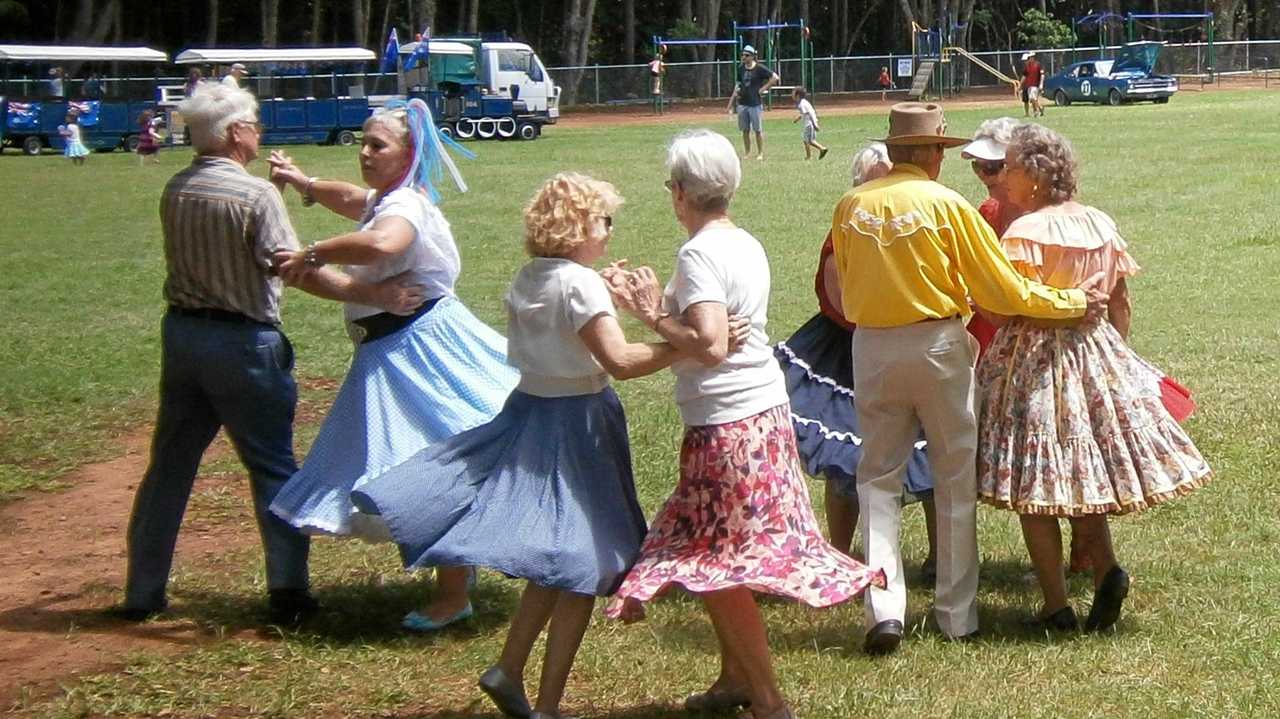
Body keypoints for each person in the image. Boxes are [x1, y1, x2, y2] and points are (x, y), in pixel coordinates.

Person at [353, 172, 684, 719]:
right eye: (604, 221)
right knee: (582, 566)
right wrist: (685, 348)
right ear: (580, 225)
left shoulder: (533, 276)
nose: (609, 231)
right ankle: (548, 706)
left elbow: (564, 332)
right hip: (579, 425)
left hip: (532, 415)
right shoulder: (579, 284)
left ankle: (509, 669)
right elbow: (620, 363)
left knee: (557, 564)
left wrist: (604, 295)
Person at [115, 82, 423, 625]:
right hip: (244, 343)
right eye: (253, 124)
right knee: (272, 465)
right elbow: (295, 268)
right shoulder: (255, 196)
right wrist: (372, 293)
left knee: (169, 466)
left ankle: (143, 590)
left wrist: (304, 183)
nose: (257, 133)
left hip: (183, 337)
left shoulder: (177, 187)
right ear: (237, 133)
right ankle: (288, 590)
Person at [604, 130, 883, 719]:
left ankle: (767, 700)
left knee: (719, 565)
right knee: (716, 553)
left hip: (726, 428)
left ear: (680, 192)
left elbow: (708, 346)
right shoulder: (744, 242)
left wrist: (650, 311)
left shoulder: (699, 254)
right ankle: (734, 681)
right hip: (759, 415)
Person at [829, 102, 1097, 655]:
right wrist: (1070, 301)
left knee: (878, 478)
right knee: (954, 478)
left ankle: (883, 608)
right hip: (936, 345)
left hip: (872, 346)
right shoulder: (947, 204)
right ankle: (957, 614)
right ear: (932, 153)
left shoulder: (850, 206)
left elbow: (845, 282)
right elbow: (1001, 291)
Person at [266, 99, 519, 631]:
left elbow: (384, 238)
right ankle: (457, 580)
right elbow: (356, 201)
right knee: (427, 463)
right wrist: (304, 183)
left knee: (434, 463)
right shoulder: (388, 197)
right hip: (396, 351)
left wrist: (312, 253)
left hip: (419, 351)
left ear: (408, 154)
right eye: (361, 141)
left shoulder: (405, 208)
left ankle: (453, 593)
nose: (363, 152)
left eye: (377, 145)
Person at [976, 123, 1212, 633]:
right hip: (1095, 353)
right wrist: (1115, 358)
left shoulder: (1023, 234)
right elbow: (1121, 302)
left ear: (1036, 176)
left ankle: (1056, 604)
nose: (1004, 175)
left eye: (1011, 167)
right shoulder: (1101, 224)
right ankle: (1105, 569)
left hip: (1034, 364)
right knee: (1081, 472)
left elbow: (1004, 309)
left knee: (1032, 481)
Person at [774, 142, 938, 579]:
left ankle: (942, 557)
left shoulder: (918, 217)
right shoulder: (846, 224)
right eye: (874, 181)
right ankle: (841, 553)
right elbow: (839, 295)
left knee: (930, 452)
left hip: (904, 342)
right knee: (844, 458)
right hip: (850, 346)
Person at [725, 45, 779, 161]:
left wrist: (764, 88)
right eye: (743, 55)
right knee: (745, 130)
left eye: (746, 55)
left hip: (755, 104)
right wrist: (734, 97)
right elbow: (738, 83)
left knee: (757, 130)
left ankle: (760, 153)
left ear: (752, 57)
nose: (744, 57)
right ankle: (747, 153)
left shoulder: (759, 68)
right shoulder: (740, 68)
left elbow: (775, 77)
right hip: (742, 104)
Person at [791, 86, 828, 160]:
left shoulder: (802, 104)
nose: (791, 95)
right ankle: (821, 149)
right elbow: (804, 114)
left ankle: (810, 155)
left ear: (797, 95)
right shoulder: (803, 102)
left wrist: (814, 125)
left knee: (806, 140)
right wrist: (798, 119)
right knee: (810, 140)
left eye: (793, 93)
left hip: (809, 124)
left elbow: (810, 115)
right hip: (809, 123)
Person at [1020, 52, 1045, 118]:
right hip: (1028, 86)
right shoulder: (1027, 66)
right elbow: (1024, 76)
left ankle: (1036, 111)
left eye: (1030, 57)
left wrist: (1041, 84)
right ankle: (1039, 109)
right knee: (1032, 99)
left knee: (1032, 98)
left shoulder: (1038, 65)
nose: (1029, 59)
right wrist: (1020, 85)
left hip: (1035, 85)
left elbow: (1042, 75)